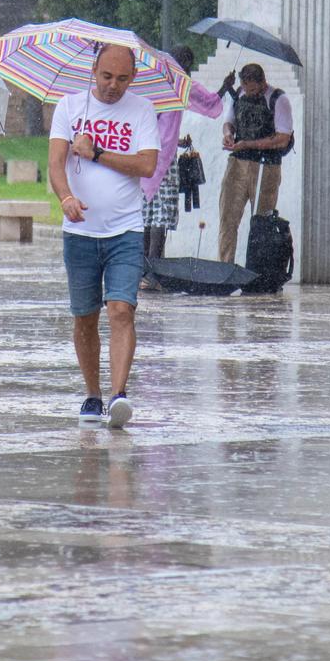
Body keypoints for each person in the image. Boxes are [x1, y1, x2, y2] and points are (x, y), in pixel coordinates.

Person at [49, 42, 159, 428]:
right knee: (85, 317)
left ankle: (119, 395)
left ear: (134, 77)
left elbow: (147, 165)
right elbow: (55, 163)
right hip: (79, 232)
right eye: (107, 76)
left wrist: (97, 153)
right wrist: (65, 197)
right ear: (94, 71)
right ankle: (93, 395)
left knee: (121, 309)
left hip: (125, 229)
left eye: (123, 78)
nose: (114, 85)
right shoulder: (69, 106)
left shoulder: (142, 110)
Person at [141, 44, 231, 260]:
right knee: (161, 215)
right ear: (187, 64)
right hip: (164, 160)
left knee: (146, 213)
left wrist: (177, 141)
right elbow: (209, 103)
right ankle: (154, 271)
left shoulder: (152, 81)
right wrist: (225, 86)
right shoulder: (181, 84)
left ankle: (141, 268)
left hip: (143, 154)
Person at [216, 62, 293, 264]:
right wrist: (228, 135)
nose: (249, 93)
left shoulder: (278, 99)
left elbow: (283, 137)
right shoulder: (239, 94)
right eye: (246, 88)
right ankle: (225, 265)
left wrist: (249, 143)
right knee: (228, 218)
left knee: (262, 223)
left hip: (266, 166)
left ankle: (259, 271)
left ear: (263, 83)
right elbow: (228, 121)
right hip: (237, 164)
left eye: (253, 90)